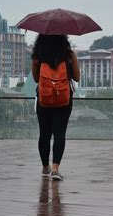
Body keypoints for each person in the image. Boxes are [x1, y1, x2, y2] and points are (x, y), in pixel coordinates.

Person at [31, 34, 80, 180]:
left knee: (44, 134)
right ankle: (55, 168)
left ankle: (45, 167)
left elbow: (35, 79)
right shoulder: (69, 56)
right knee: (59, 133)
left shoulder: (38, 56)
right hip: (63, 100)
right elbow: (77, 77)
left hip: (43, 99)